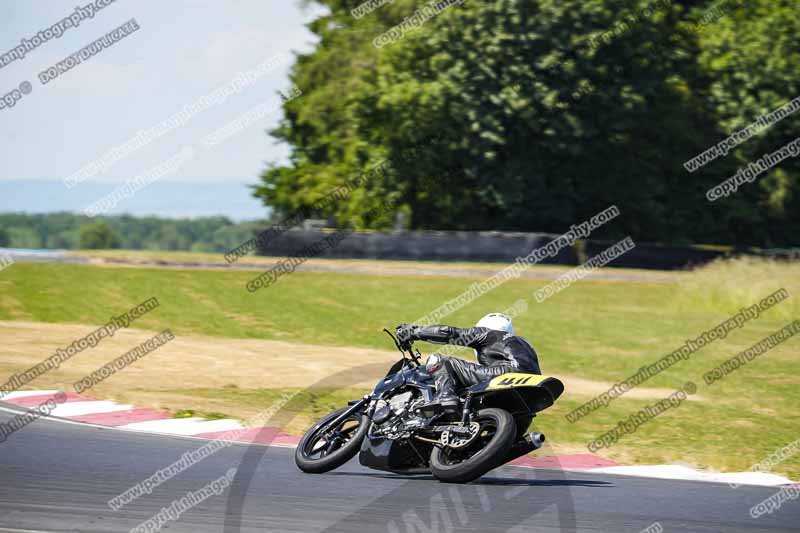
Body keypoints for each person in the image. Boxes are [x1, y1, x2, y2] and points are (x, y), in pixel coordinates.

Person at [395, 313, 541, 410]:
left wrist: (413, 332)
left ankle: (445, 396)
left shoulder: (488, 333)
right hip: (532, 389)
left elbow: (449, 333)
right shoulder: (525, 344)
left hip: (507, 374)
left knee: (440, 360)